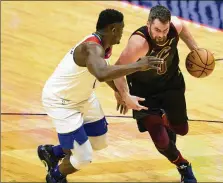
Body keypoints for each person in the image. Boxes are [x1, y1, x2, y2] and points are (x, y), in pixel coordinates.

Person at [37, 9, 163, 183]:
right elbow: (102, 73)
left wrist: (121, 92)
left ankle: (52, 153)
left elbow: (106, 68)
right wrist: (138, 65)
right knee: (83, 157)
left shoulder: (104, 46)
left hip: (83, 98)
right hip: (62, 103)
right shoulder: (91, 48)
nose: (122, 33)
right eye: (121, 29)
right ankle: (55, 177)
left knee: (99, 142)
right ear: (113, 29)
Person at [114, 5, 200, 183]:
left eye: (164, 30)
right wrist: (122, 93)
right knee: (161, 141)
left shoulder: (173, 28)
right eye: (157, 30)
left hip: (171, 85)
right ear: (148, 25)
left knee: (182, 130)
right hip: (144, 93)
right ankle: (184, 166)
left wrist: (195, 49)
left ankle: (165, 118)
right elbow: (117, 69)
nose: (161, 35)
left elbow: (181, 25)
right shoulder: (139, 43)